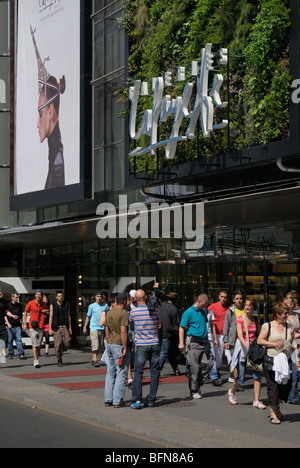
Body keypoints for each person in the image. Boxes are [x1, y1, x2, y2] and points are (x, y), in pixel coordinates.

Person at [31, 26, 66, 190]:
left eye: (40, 114)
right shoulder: (55, 157)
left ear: (50, 110)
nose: (37, 124)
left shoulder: (57, 165)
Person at [257, 302, 300, 424]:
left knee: (286, 387)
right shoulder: (267, 326)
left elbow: (293, 345)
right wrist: (274, 344)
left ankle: (276, 407)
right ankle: (273, 415)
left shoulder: (289, 327)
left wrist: (297, 360)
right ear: (278, 314)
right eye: (285, 313)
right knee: (273, 388)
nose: (287, 315)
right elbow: (260, 341)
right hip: (272, 361)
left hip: (285, 362)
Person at [228, 298, 265, 409]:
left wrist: (261, 344)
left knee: (257, 375)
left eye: (249, 305)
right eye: (246, 305)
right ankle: (232, 391)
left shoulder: (256, 319)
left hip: (254, 349)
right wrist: (247, 345)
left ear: (253, 308)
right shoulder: (240, 319)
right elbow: (239, 335)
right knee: (240, 377)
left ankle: (256, 401)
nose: (247, 307)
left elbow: (258, 334)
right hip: (243, 348)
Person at [130, 289, 161, 409]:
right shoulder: (154, 311)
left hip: (142, 345)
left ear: (135, 299)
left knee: (138, 372)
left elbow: (132, 324)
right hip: (154, 344)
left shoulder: (133, 313)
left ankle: (137, 400)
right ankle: (151, 400)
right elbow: (159, 323)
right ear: (146, 297)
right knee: (155, 372)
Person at [179, 294, 214, 399]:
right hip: (193, 341)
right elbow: (181, 327)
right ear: (198, 301)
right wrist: (181, 342)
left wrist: (208, 341)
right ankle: (194, 390)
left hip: (203, 341)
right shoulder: (188, 312)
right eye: (203, 305)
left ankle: (197, 383)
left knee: (209, 362)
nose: (205, 307)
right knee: (194, 367)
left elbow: (205, 327)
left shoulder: (203, 311)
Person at [104, 293, 130, 408]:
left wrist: (109, 342)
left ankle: (108, 399)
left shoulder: (109, 312)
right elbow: (123, 331)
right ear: (124, 301)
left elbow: (106, 330)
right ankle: (118, 400)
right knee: (121, 372)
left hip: (110, 344)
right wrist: (125, 347)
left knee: (110, 372)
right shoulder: (124, 314)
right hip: (119, 344)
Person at [22, 290, 49, 368]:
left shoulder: (43, 304)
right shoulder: (31, 303)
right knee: (34, 343)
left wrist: (45, 310)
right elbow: (26, 312)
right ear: (35, 295)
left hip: (41, 326)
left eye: (40, 294)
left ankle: (37, 358)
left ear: (41, 296)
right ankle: (36, 360)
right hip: (32, 327)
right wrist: (24, 323)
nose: (38, 296)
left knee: (39, 344)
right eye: (37, 294)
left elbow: (48, 309)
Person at [223, 290, 245, 383]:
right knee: (234, 358)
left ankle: (238, 378)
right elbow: (226, 326)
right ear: (233, 300)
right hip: (233, 339)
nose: (239, 300)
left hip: (244, 339)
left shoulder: (245, 310)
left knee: (242, 359)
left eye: (240, 298)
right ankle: (235, 377)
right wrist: (226, 340)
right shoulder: (230, 311)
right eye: (237, 299)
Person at [83, 292, 109, 367]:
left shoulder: (105, 305)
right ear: (95, 297)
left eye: (100, 296)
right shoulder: (91, 306)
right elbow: (88, 316)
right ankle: (94, 359)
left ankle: (94, 358)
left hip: (102, 327)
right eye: (97, 296)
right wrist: (85, 327)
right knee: (95, 343)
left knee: (101, 344)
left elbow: (108, 315)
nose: (99, 298)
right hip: (93, 327)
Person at [283, 296, 300, 405]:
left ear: (292, 305)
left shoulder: (298, 316)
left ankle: (293, 395)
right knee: (292, 371)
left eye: (287, 304)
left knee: (296, 371)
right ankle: (292, 396)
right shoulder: (284, 317)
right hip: (288, 345)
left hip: (299, 344)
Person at [158, 292, 181, 376]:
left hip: (162, 331)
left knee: (169, 352)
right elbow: (175, 324)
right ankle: (158, 370)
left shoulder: (162, 306)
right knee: (165, 352)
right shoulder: (174, 309)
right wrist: (179, 333)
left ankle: (176, 369)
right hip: (169, 333)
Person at [49, 290, 72, 367]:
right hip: (56, 327)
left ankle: (60, 352)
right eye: (59, 296)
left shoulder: (66, 304)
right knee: (58, 344)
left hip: (64, 326)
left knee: (67, 343)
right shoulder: (53, 305)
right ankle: (59, 359)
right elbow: (51, 317)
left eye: (61, 296)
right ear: (56, 297)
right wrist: (50, 328)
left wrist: (70, 328)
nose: (60, 297)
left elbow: (69, 316)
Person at [7, 293, 25, 360]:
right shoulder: (8, 305)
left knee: (19, 340)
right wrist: (8, 323)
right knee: (10, 340)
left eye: (17, 297)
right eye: (15, 297)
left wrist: (22, 324)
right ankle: (10, 354)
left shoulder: (19, 305)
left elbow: (21, 316)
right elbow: (5, 315)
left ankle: (20, 353)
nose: (16, 299)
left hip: (18, 325)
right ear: (12, 297)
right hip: (10, 325)